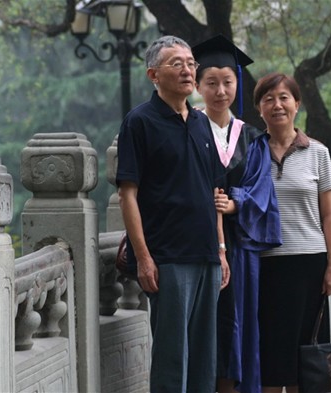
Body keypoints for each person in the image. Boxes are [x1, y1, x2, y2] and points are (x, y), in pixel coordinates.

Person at [116, 35, 230, 393]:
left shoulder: (201, 124)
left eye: (191, 63)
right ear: (154, 74)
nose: (187, 69)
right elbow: (127, 194)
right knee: (171, 359)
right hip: (167, 258)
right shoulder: (140, 122)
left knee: (203, 359)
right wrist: (144, 259)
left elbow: (214, 192)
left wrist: (221, 249)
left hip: (206, 256)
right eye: (176, 63)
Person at [191, 35, 281, 393]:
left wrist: (237, 202)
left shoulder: (253, 137)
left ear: (237, 84)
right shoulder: (189, 129)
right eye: (211, 82)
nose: (220, 90)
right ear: (198, 85)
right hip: (199, 243)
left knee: (239, 325)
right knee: (205, 327)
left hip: (240, 249)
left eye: (228, 82)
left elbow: (262, 187)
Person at [253, 72, 331, 393]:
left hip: (310, 264)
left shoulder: (318, 152)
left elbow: (330, 214)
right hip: (265, 266)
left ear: (297, 104)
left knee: (308, 360)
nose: (276, 105)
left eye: (283, 98)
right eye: (268, 99)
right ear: (259, 109)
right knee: (270, 360)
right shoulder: (250, 152)